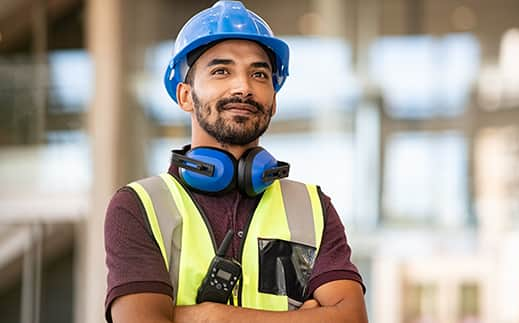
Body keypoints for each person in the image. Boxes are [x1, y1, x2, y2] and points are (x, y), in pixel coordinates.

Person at [104, 1, 367, 322]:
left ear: (274, 99)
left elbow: (351, 317)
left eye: (259, 74)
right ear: (186, 95)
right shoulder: (139, 206)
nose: (243, 87)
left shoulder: (312, 207)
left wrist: (211, 316)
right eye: (221, 71)